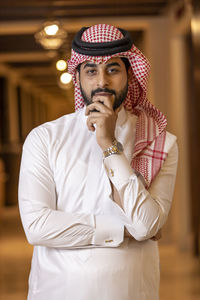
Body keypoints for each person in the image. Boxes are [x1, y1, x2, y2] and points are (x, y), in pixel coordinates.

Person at [18, 24, 178, 300]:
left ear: (130, 73)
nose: (102, 81)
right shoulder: (45, 138)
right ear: (78, 76)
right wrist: (121, 230)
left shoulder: (159, 142)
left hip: (132, 292)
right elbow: (37, 226)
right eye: (91, 70)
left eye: (113, 69)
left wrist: (109, 145)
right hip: (57, 293)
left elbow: (146, 226)